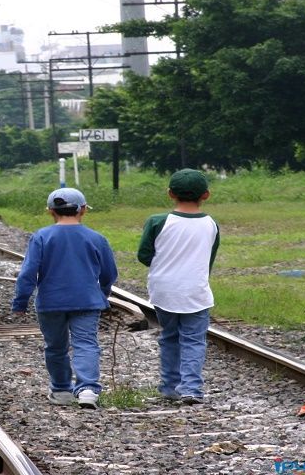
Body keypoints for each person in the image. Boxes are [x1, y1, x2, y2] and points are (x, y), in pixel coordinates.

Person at [12, 188, 118, 409]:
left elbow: (28, 273)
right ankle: (88, 389)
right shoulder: (96, 238)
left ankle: (61, 390)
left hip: (51, 302)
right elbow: (109, 273)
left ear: (51, 211)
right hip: (87, 301)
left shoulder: (41, 237)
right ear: (83, 210)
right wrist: (103, 292)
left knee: (55, 346)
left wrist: (20, 302)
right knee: (86, 344)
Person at [137, 169, 220, 405]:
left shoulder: (157, 221)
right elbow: (209, 259)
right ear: (206, 195)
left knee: (170, 336)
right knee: (194, 340)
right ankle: (192, 389)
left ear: (170, 193)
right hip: (196, 290)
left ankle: (170, 386)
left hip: (163, 290)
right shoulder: (210, 224)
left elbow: (144, 255)